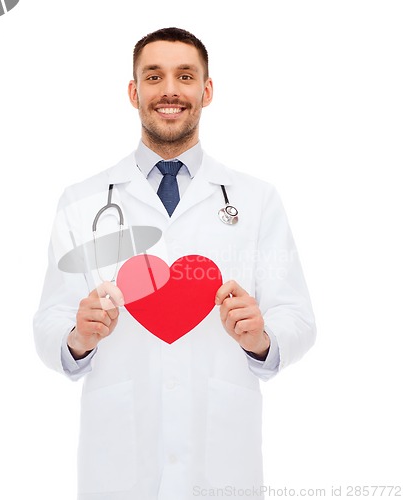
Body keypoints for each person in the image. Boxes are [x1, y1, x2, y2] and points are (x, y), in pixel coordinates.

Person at [33, 27, 316, 500]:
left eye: (185, 76)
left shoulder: (256, 199)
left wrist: (261, 339)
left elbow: (299, 317)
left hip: (221, 455)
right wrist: (77, 337)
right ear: (134, 91)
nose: (170, 90)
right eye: (154, 76)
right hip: (119, 461)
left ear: (206, 91)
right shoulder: (81, 202)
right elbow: (49, 320)